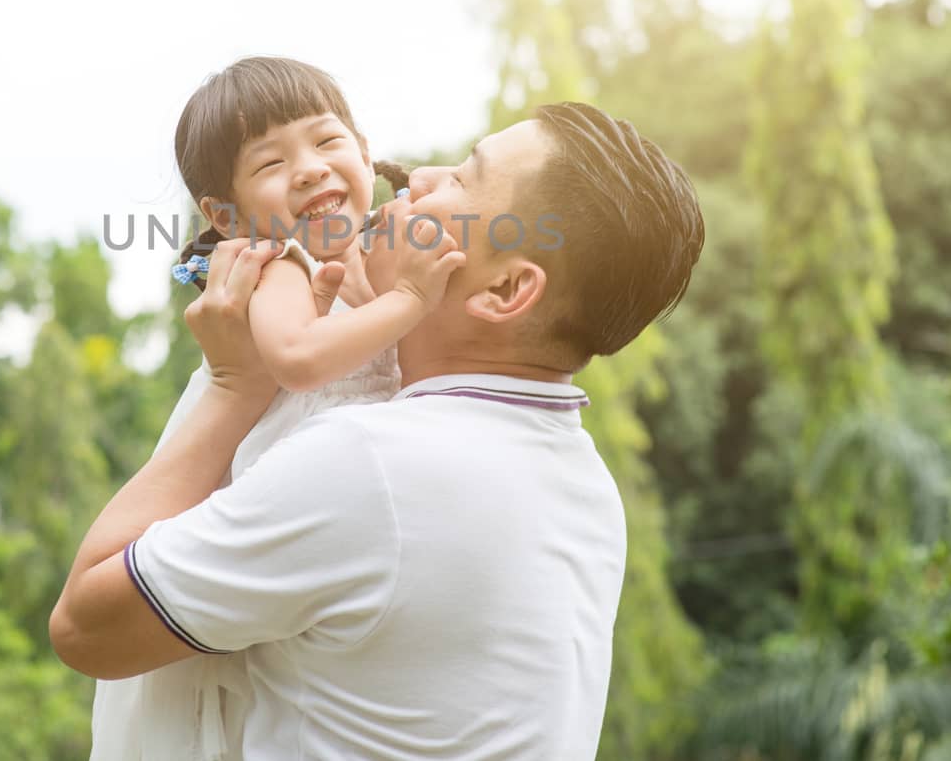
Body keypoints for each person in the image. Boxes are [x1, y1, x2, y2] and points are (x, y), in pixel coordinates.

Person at [54, 102, 705, 759]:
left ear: (504, 290)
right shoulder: (586, 488)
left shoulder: (374, 465)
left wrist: (233, 388)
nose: (418, 177)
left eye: (460, 181)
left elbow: (86, 629)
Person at [91, 56, 463, 760]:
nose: (309, 169)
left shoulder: (379, 247)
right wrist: (409, 302)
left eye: (327, 142)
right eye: (270, 162)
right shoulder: (277, 264)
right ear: (225, 214)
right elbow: (297, 357)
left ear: (361, 148)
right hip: (265, 534)